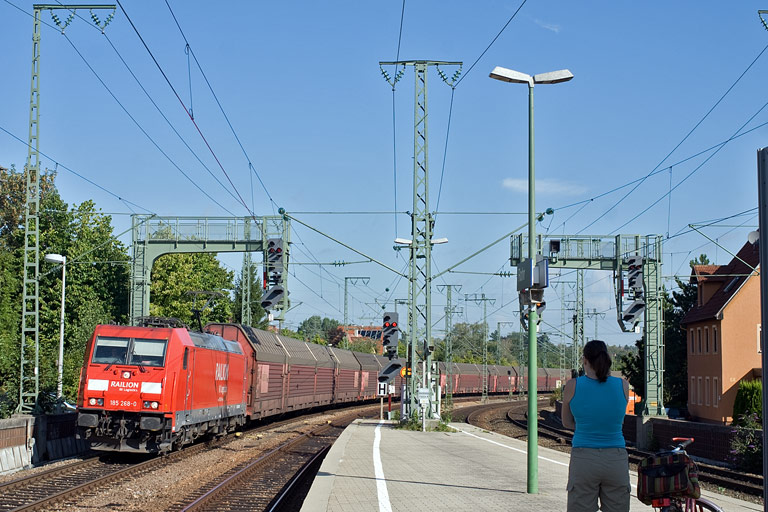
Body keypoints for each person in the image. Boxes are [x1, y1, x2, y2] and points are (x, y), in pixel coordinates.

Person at [561, 339, 630, 512]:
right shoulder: (623, 385)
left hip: (584, 459)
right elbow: (619, 420)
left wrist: (586, 427)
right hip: (616, 459)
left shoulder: (572, 386)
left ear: (585, 360)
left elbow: (566, 422)